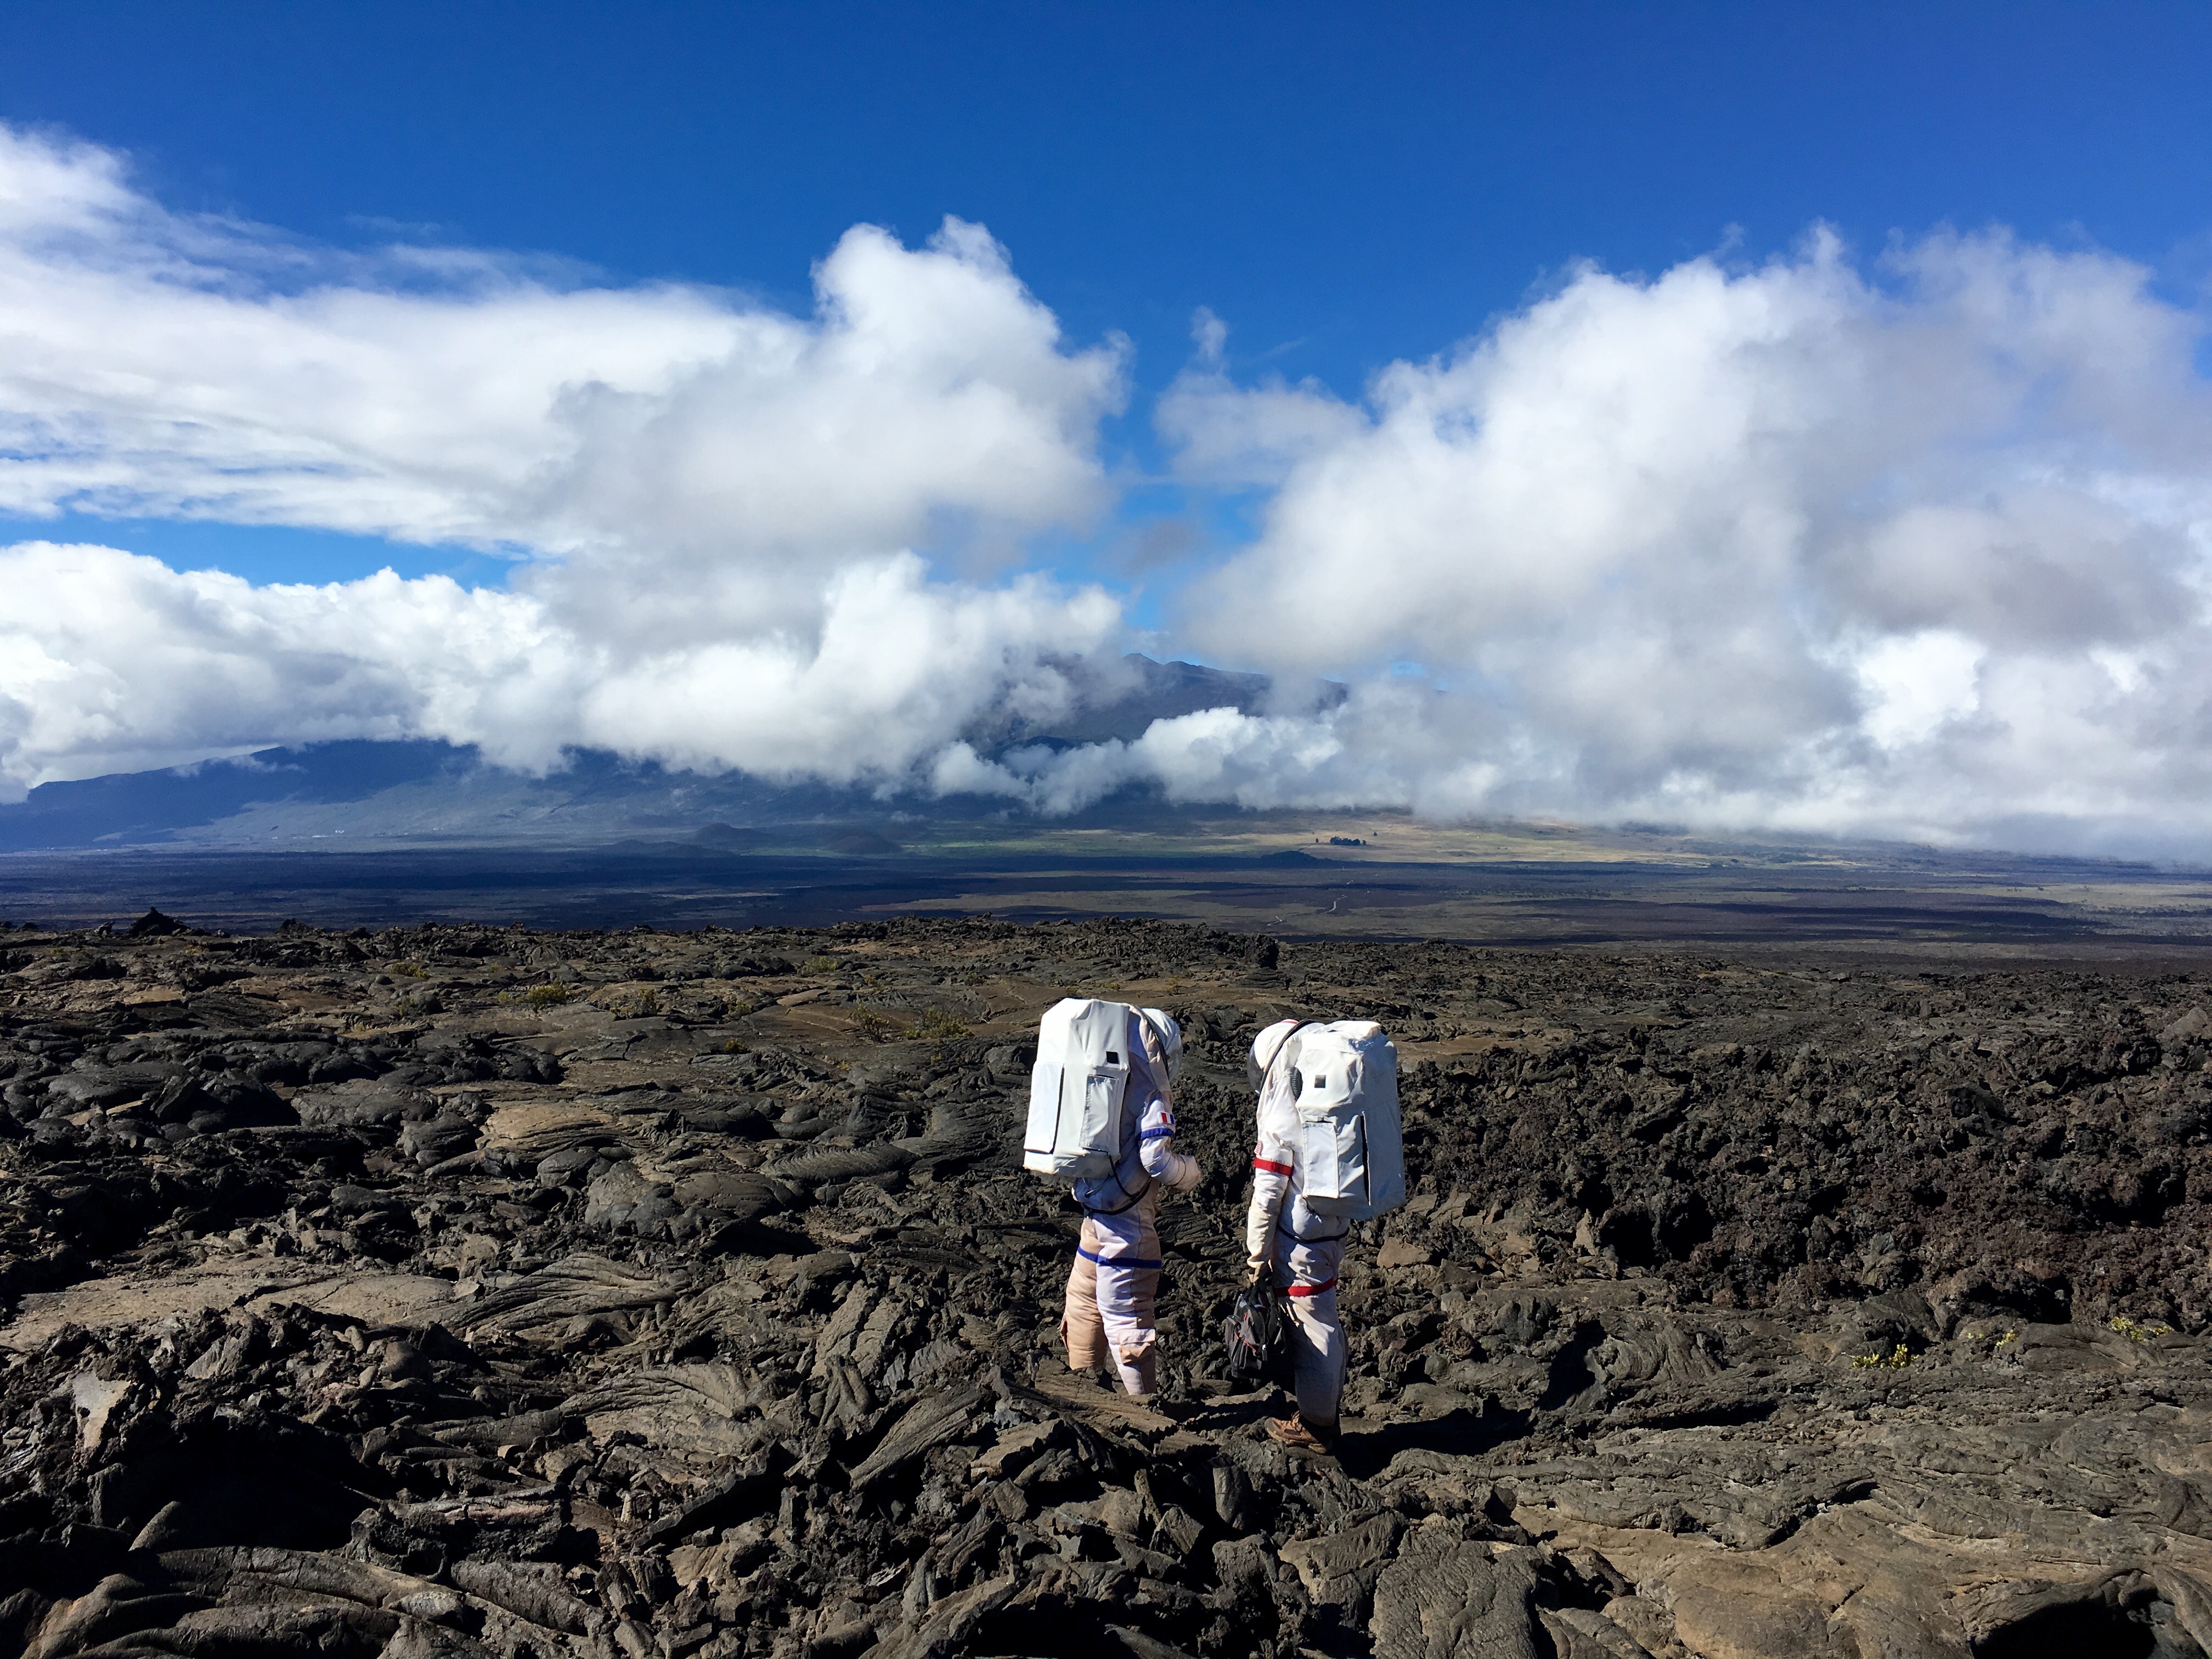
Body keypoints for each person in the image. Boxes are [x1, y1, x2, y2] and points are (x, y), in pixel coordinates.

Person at [1060, 1006, 1200, 1397]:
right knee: (1127, 1319)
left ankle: (1088, 1392)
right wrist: (1189, 1172)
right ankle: (1145, 1412)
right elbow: (1155, 1158)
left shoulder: (1103, 1081)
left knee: (1084, 1303)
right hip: (1128, 1227)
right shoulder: (1151, 1094)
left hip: (1095, 1215)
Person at [1245, 1017, 1349, 1449]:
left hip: (1301, 1237)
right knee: (1323, 1311)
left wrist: (1256, 1257)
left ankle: (1318, 1424)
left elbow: (1268, 1195)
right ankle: (1324, 1412)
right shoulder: (1320, 1110)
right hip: (1331, 1225)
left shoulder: (1283, 1120)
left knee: (1311, 1325)